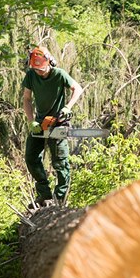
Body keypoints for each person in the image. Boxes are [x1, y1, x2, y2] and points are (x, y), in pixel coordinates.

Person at [22, 46, 83, 207]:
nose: (39, 72)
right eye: (36, 69)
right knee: (31, 157)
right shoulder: (30, 75)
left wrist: (68, 107)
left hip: (58, 122)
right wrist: (31, 121)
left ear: (50, 62)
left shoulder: (59, 74)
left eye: (41, 69)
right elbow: (27, 99)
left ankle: (59, 199)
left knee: (60, 162)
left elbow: (77, 89)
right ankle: (44, 194)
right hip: (40, 123)